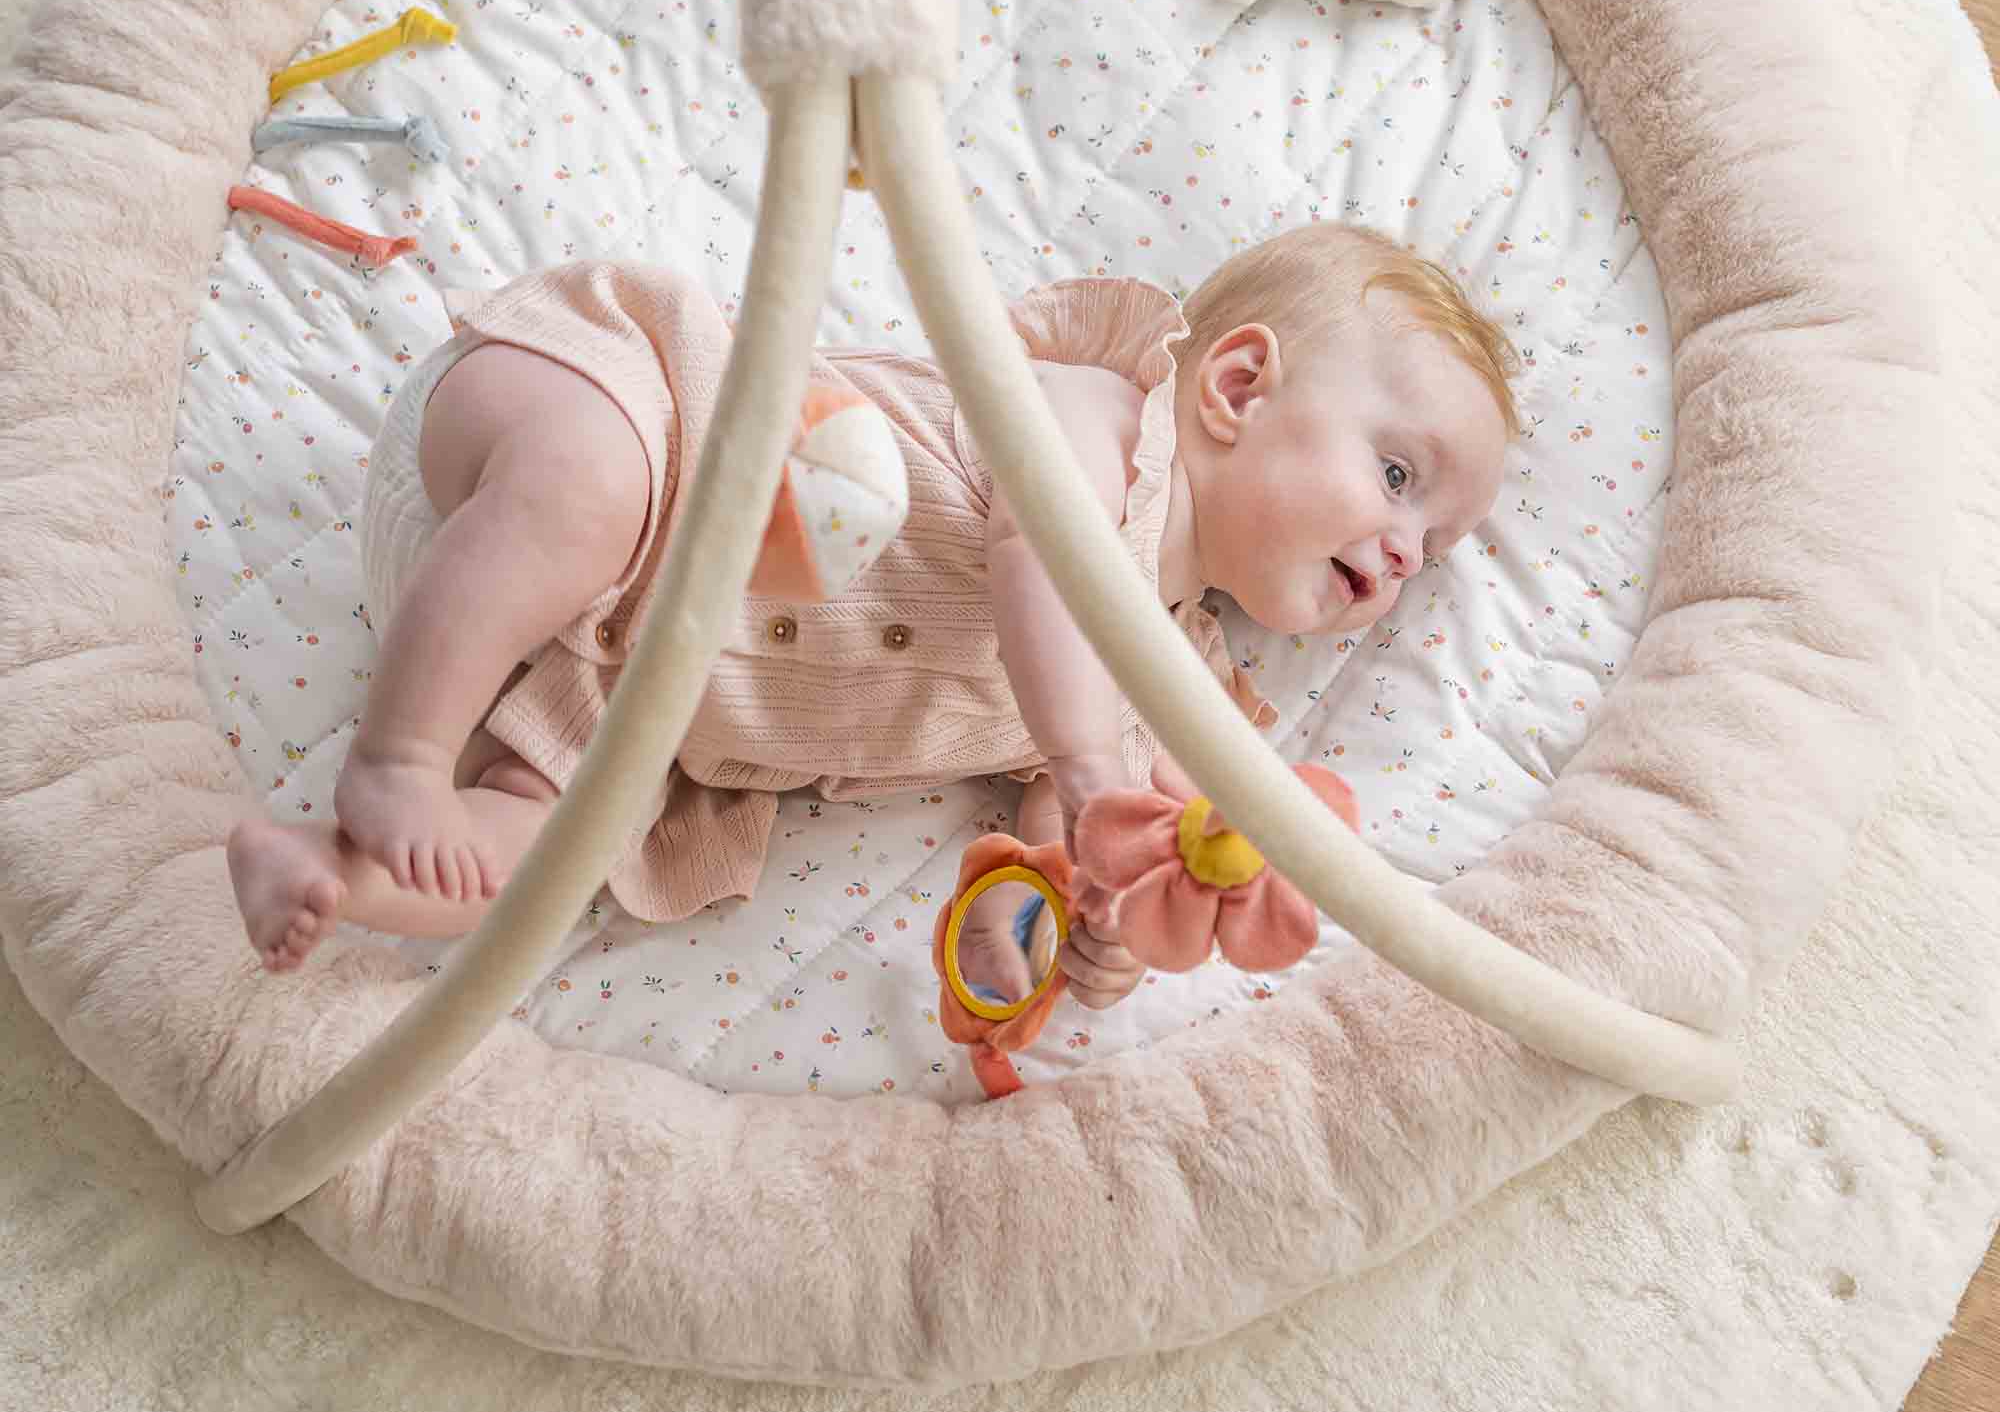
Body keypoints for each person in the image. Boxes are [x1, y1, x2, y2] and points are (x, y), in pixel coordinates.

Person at [227, 221, 1515, 1013]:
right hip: (603, 445)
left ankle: (328, 873)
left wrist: (1083, 915)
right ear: (1235, 384)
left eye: (1437, 545)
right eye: (1401, 478)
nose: (1407, 549)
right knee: (590, 488)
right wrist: (1085, 755)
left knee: (551, 857)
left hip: (604, 679)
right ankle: (395, 755)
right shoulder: (1103, 418)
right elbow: (1039, 565)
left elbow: (1080, 831)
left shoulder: (1175, 679)